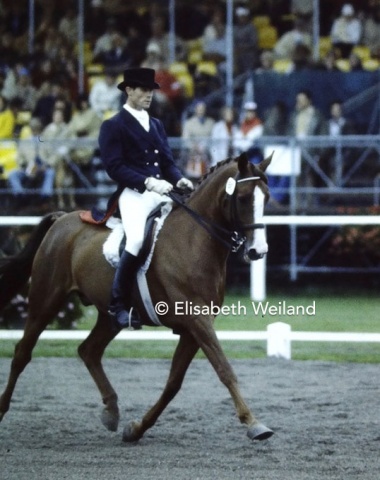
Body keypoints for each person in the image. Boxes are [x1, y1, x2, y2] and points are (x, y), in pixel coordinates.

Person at [97, 67, 193, 330]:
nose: (149, 95)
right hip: (135, 194)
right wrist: (148, 181)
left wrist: (179, 179)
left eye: (151, 90)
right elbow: (114, 167)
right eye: (143, 89)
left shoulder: (157, 124)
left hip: (162, 192)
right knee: (137, 239)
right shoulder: (113, 125)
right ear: (129, 90)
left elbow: (167, 163)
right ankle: (117, 304)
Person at [7, 117, 55, 209]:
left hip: (43, 167)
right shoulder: (25, 142)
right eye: (33, 126)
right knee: (13, 174)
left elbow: (53, 155)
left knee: (50, 172)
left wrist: (47, 164)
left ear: (40, 127)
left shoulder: (45, 140)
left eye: (36, 126)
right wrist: (24, 165)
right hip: (28, 168)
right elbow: (19, 158)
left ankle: (45, 197)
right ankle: (20, 195)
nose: (34, 128)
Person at [181, 100, 215, 179]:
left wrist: (206, 146)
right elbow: (185, 140)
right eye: (199, 109)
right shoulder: (188, 123)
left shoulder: (211, 122)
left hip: (207, 152)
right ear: (195, 109)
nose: (201, 111)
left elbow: (214, 138)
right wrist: (194, 146)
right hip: (193, 154)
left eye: (203, 109)